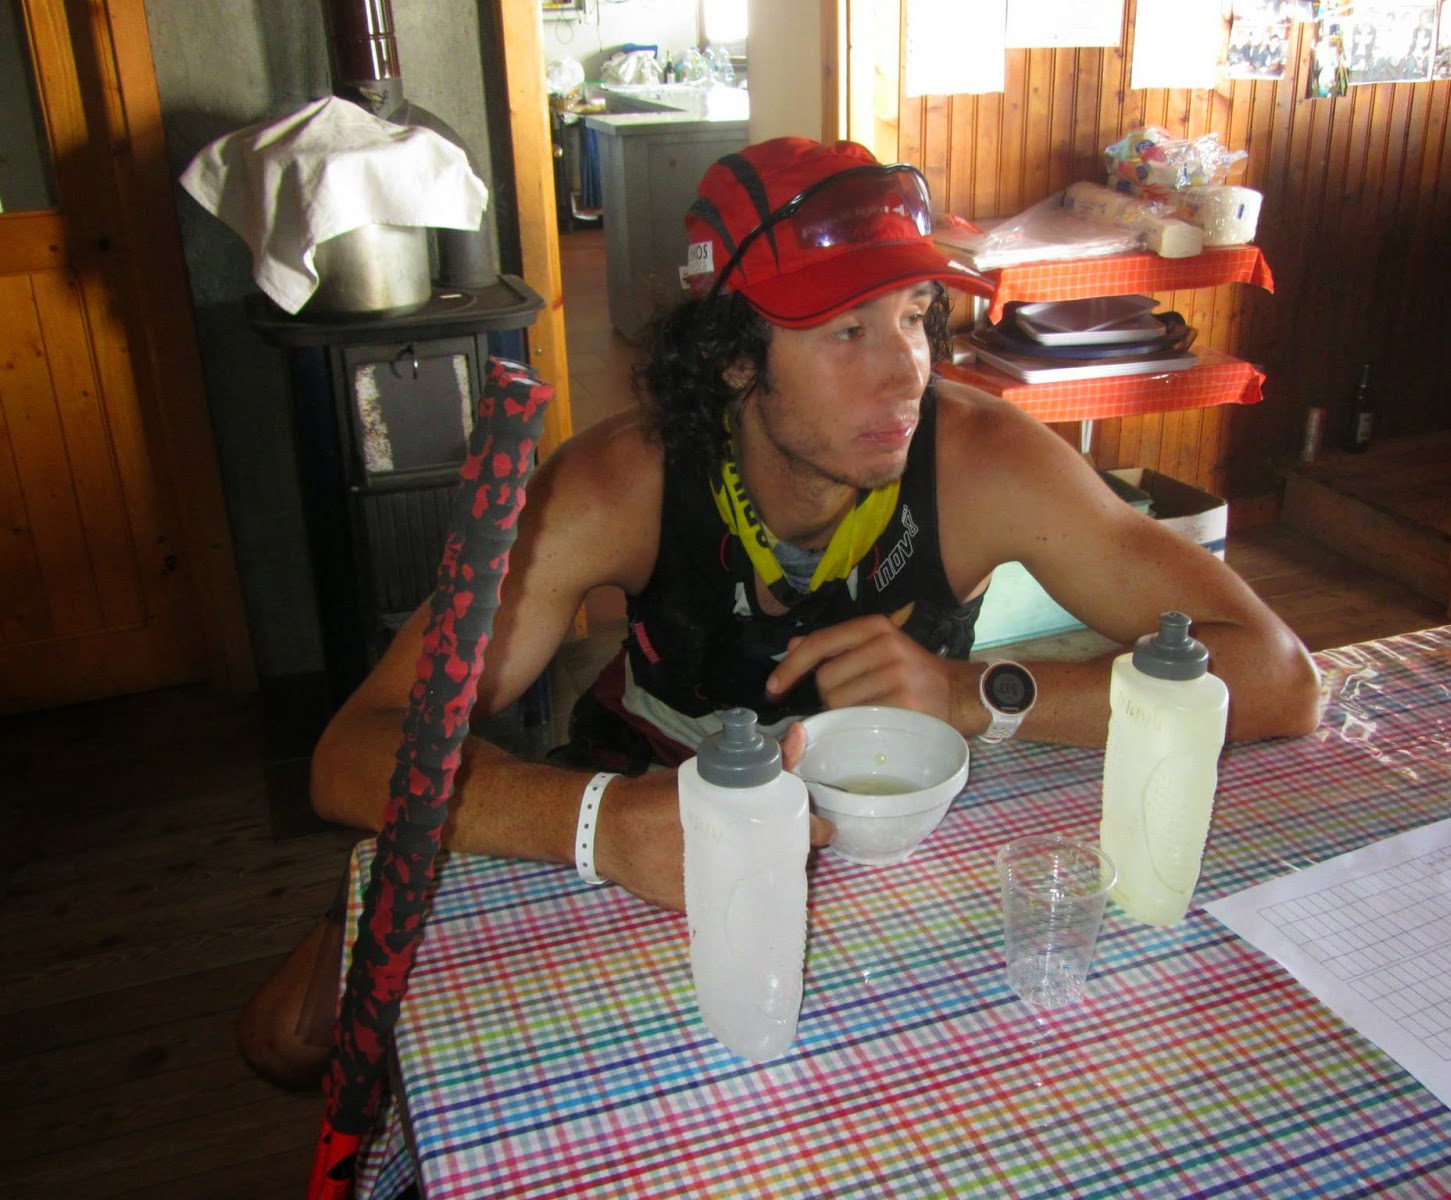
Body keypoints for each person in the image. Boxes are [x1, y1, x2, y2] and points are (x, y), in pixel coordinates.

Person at [238, 136, 1321, 1088]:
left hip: (891, 853)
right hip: (647, 821)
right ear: (729, 357)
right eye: (846, 332)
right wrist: (600, 824)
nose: (905, 373)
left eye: (915, 316)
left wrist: (975, 694)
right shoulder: (616, 483)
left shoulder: (987, 459)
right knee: (285, 1038)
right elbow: (355, 751)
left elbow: (1280, 678)